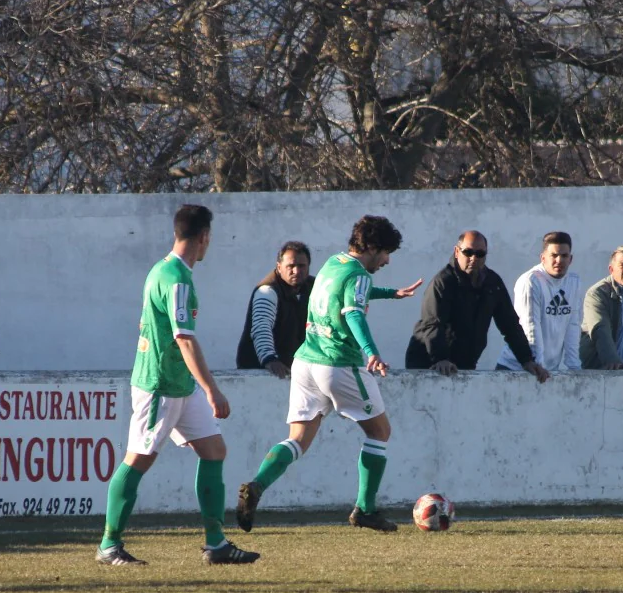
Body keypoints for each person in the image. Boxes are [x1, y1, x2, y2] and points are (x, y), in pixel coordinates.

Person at [236, 215, 422, 533]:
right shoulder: (360, 275)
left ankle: (257, 485)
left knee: (297, 439)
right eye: (386, 253)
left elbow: (347, 295)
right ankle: (365, 509)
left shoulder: (335, 263)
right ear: (374, 248)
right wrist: (371, 352)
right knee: (380, 433)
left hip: (305, 362)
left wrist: (391, 293)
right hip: (339, 364)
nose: (388, 260)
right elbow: (353, 312)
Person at [96, 204, 259, 567]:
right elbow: (184, 339)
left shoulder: (164, 269)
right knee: (138, 459)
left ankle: (216, 544)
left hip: (180, 384)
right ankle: (109, 545)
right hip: (160, 385)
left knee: (214, 450)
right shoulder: (177, 280)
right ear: (204, 238)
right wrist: (213, 390)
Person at [404, 230, 550, 381]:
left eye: (480, 254)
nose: (474, 258)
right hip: (428, 362)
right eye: (468, 252)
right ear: (456, 251)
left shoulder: (493, 283)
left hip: (464, 363)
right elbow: (433, 324)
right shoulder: (443, 282)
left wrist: (527, 360)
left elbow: (510, 325)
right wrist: (440, 358)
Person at [494, 232, 582, 372]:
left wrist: (574, 367)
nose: (559, 260)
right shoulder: (531, 281)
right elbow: (530, 325)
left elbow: (572, 325)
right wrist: (538, 364)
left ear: (570, 259)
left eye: (564, 256)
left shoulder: (573, 282)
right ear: (543, 258)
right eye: (554, 255)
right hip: (517, 368)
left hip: (548, 370)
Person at [236, 241, 315, 378]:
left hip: (295, 370)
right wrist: (270, 359)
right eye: (291, 266)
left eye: (301, 266)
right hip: (259, 370)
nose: (296, 271)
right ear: (279, 267)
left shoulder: (315, 287)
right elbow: (261, 326)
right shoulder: (267, 291)